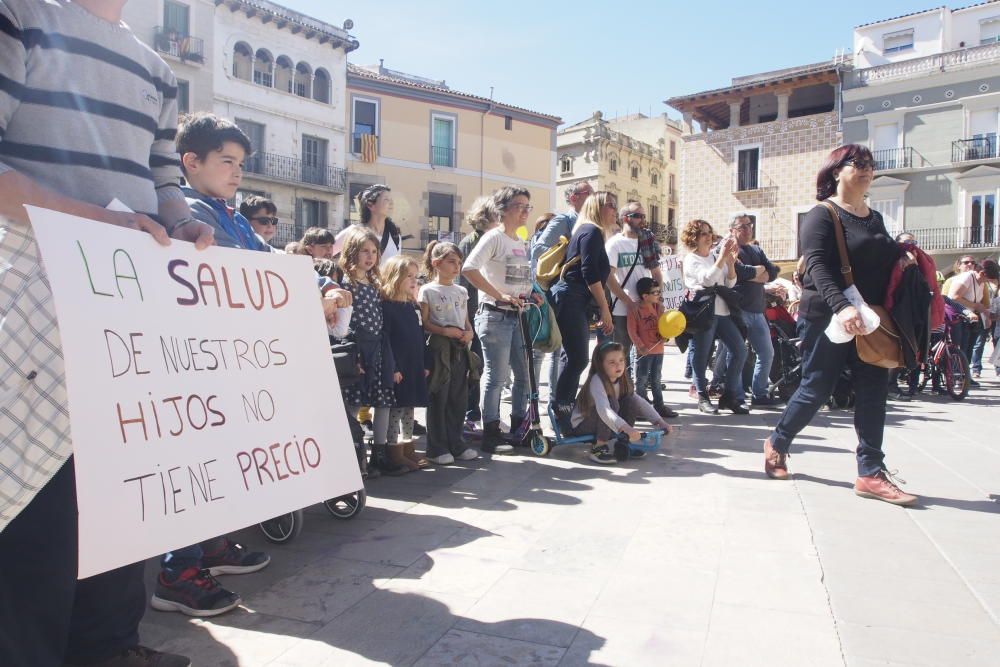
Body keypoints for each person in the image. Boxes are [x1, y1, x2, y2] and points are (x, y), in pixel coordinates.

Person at [0, 1, 215, 665]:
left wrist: (181, 227)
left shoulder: (156, 67)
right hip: (27, 304)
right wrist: (92, 221)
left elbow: (161, 180)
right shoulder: (18, 12)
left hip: (126, 316)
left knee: (124, 504)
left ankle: (110, 648)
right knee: (38, 521)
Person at [153, 113, 274, 619]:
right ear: (190, 162)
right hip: (194, 360)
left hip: (230, 358)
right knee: (195, 460)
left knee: (224, 456)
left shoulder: (236, 216)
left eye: (241, 163)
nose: (237, 171)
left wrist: (319, 286)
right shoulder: (187, 212)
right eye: (227, 161)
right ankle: (177, 570)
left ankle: (213, 544)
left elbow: (268, 262)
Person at [763, 144, 918, 506]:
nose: (865, 170)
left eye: (869, 165)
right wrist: (841, 307)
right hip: (829, 316)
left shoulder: (875, 218)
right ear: (836, 171)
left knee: (874, 391)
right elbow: (817, 265)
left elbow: (878, 256)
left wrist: (904, 255)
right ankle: (777, 442)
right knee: (817, 387)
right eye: (856, 164)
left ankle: (870, 473)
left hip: (870, 316)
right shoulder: (822, 214)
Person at [462, 186, 534, 454]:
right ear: (503, 210)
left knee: (524, 376)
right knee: (496, 377)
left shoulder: (519, 241)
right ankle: (491, 434)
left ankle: (518, 428)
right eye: (520, 206)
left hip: (518, 315)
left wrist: (529, 295)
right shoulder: (494, 237)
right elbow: (469, 267)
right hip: (495, 315)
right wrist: (499, 295)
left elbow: (517, 278)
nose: (525, 211)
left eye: (528, 206)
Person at [338, 227, 408, 475]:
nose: (369, 257)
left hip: (378, 347)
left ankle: (380, 454)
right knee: (355, 402)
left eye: (374, 252)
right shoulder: (346, 283)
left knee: (383, 402)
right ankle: (353, 456)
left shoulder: (375, 283)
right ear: (352, 253)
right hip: (358, 348)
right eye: (364, 251)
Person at [551, 191, 619, 403]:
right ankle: (561, 407)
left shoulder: (587, 230)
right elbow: (590, 273)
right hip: (572, 298)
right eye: (610, 205)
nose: (615, 210)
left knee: (572, 357)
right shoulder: (591, 231)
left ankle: (563, 408)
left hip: (574, 298)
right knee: (578, 359)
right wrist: (605, 309)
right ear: (597, 208)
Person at [530, 182, 595, 391]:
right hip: (555, 292)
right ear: (573, 198)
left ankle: (555, 398)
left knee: (561, 353)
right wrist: (538, 285)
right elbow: (538, 249)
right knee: (541, 351)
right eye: (589, 193)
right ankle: (534, 399)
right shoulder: (564, 220)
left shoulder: (590, 225)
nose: (593, 197)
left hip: (577, 297)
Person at [420, 242, 481, 464]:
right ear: (437, 264)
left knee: (458, 396)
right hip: (439, 348)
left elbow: (465, 319)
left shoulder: (461, 291)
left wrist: (469, 333)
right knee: (439, 396)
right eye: (451, 262)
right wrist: (444, 330)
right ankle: (437, 447)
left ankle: (456, 441)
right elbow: (425, 323)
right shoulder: (427, 290)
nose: (457, 267)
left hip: (459, 348)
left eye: (459, 262)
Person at [681, 219, 748, 415]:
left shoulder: (714, 256)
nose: (709, 236)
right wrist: (722, 258)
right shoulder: (691, 259)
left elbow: (730, 283)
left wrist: (730, 262)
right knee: (701, 357)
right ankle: (702, 395)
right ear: (694, 238)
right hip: (704, 313)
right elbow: (708, 280)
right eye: (703, 233)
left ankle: (729, 395)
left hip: (722, 312)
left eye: (709, 232)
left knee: (740, 351)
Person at [568, 342, 671, 464]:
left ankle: (624, 443)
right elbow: (604, 410)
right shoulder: (597, 380)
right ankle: (599, 447)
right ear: (601, 365)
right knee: (611, 403)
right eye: (612, 362)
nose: (618, 365)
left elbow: (639, 402)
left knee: (631, 399)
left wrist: (659, 422)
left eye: (621, 360)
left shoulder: (622, 379)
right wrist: (626, 428)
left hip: (602, 420)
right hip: (582, 425)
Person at [381, 255, 431, 470]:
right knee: (396, 409)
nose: (413, 281)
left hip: (414, 364)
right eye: (407, 276)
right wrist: (394, 368)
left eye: (415, 276)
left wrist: (425, 363)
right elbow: (387, 340)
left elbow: (421, 336)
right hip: (399, 367)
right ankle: (393, 449)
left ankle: (408, 446)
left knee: (410, 407)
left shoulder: (414, 307)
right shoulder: (388, 306)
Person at [726, 215, 781, 407]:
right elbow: (739, 272)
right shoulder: (728, 248)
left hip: (758, 311)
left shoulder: (756, 249)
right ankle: (737, 395)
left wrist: (756, 273)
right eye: (743, 226)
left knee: (767, 353)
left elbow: (773, 271)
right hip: (738, 310)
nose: (748, 229)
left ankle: (760, 393)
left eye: (750, 225)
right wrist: (758, 272)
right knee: (737, 354)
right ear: (732, 229)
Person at [457, 196, 498, 435]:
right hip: (473, 312)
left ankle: (474, 409)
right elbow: (465, 284)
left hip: (480, 310)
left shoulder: (486, 240)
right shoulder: (473, 242)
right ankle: (470, 410)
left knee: (481, 365)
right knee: (474, 364)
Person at [605, 201, 663, 367]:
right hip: (623, 309)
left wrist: (658, 298)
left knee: (644, 354)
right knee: (621, 355)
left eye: (643, 216)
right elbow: (609, 277)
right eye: (637, 216)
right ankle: (620, 391)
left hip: (646, 309)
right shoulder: (614, 244)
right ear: (625, 219)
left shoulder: (647, 241)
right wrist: (628, 302)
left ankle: (636, 390)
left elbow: (656, 273)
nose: (642, 220)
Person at [628, 278, 678, 419]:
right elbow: (632, 331)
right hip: (644, 352)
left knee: (656, 379)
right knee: (642, 379)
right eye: (655, 292)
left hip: (658, 350)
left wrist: (666, 336)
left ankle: (659, 406)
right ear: (645, 296)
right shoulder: (635, 309)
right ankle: (641, 408)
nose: (658, 294)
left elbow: (664, 326)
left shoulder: (658, 308)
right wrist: (641, 346)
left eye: (659, 291)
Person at [947, 254, 988, 387]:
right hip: (957, 317)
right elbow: (950, 298)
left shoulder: (979, 281)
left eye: (972, 262)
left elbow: (984, 301)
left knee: (969, 348)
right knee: (959, 347)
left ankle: (965, 375)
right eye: (966, 262)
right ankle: (956, 375)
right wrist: (974, 307)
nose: (970, 265)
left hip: (974, 319)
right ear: (958, 265)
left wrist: (985, 314)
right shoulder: (956, 280)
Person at [334, 183, 402, 263]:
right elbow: (328, 251)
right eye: (386, 199)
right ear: (370, 205)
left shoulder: (395, 236)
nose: (391, 203)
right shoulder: (353, 232)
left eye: (391, 200)